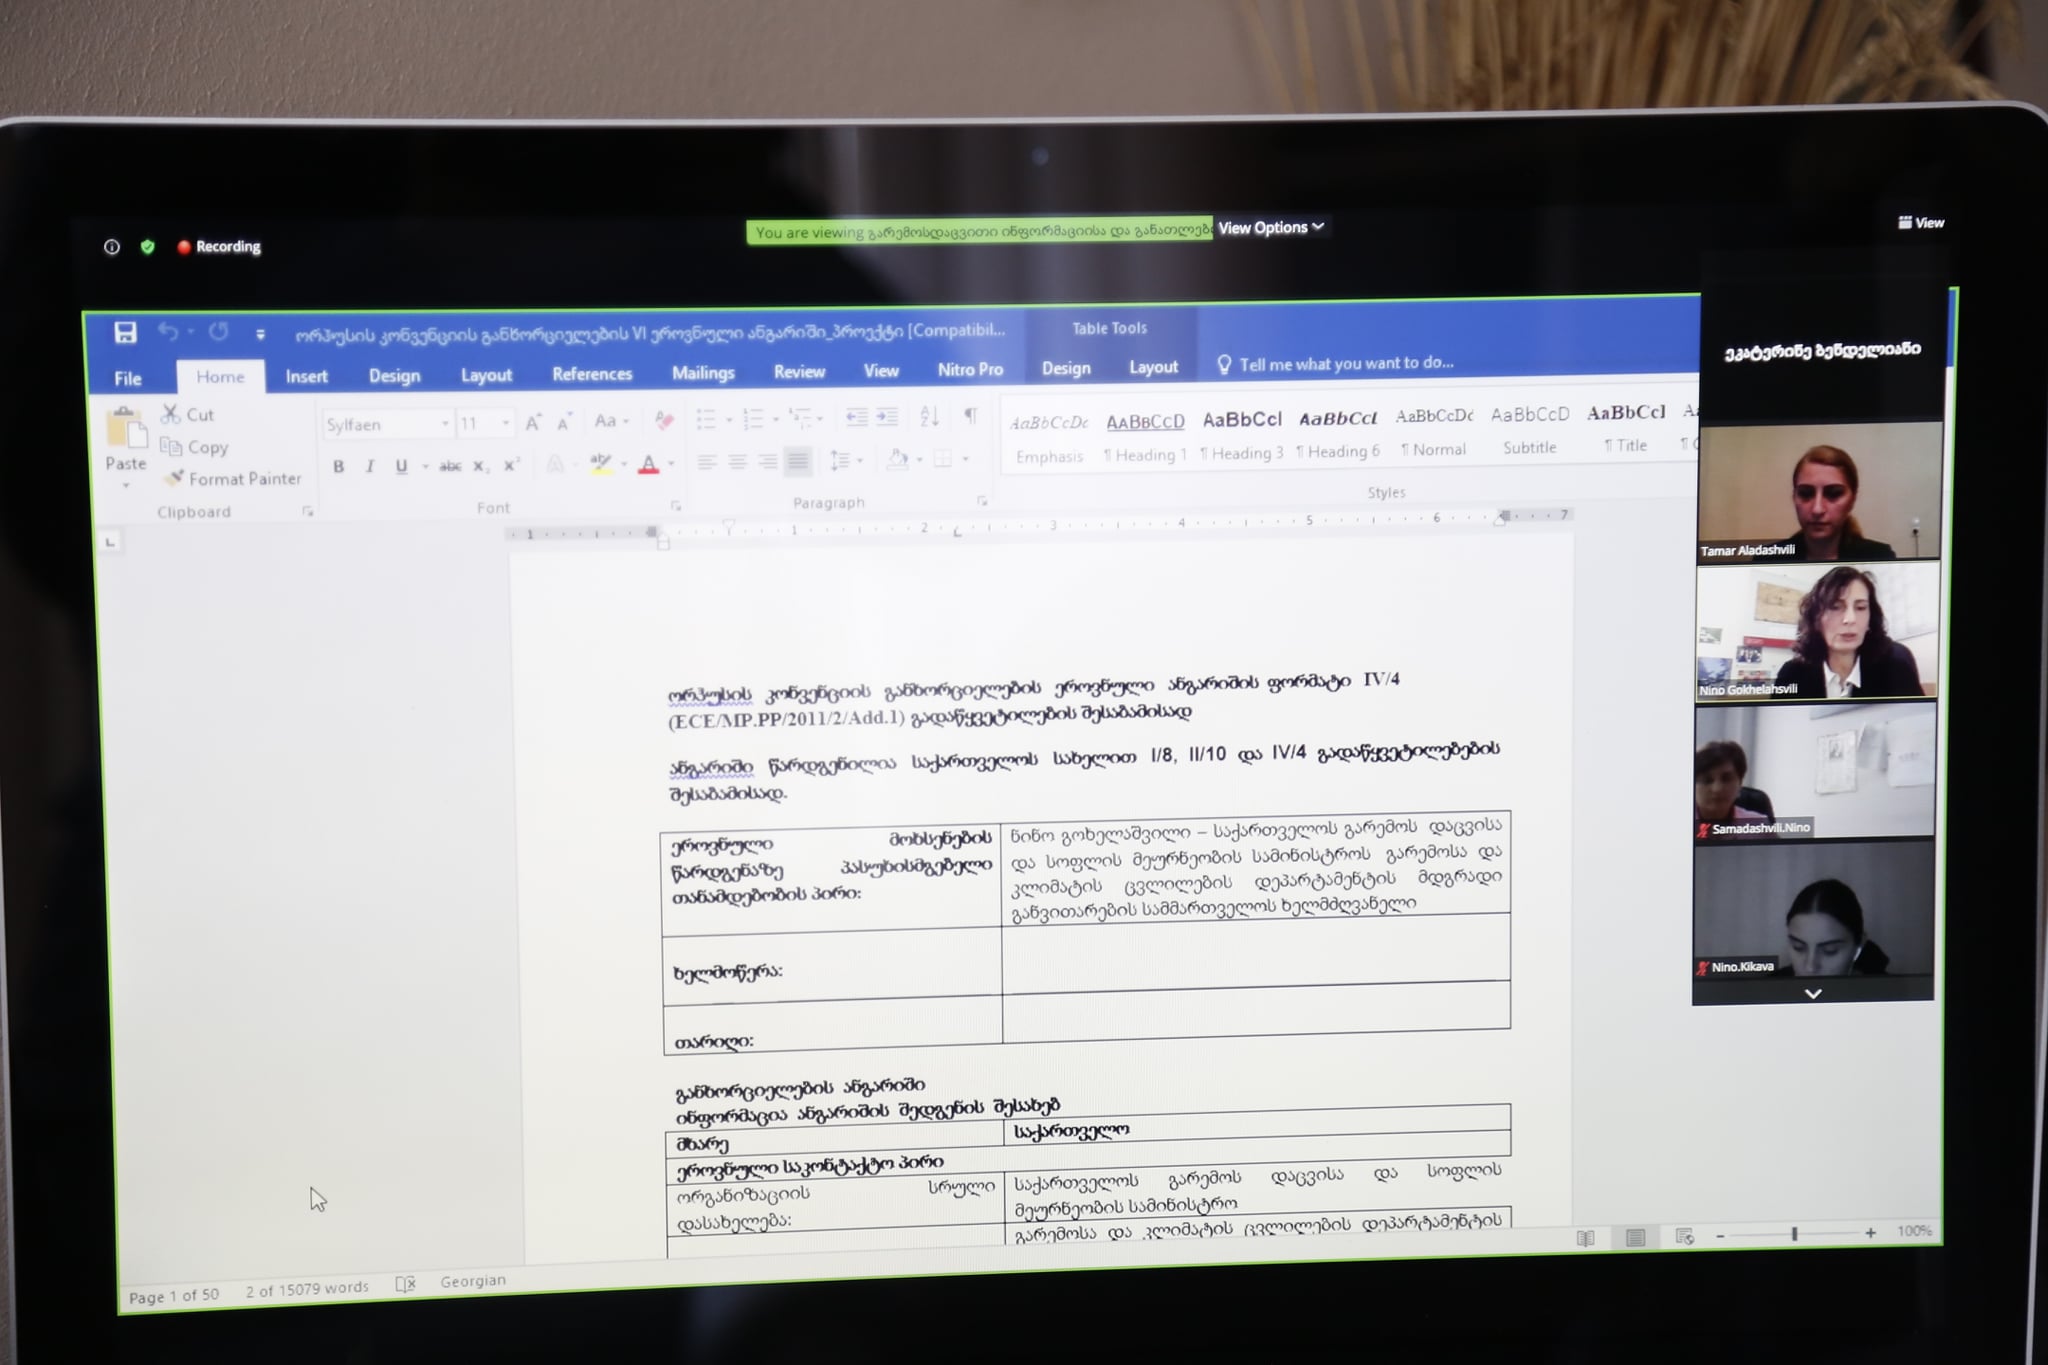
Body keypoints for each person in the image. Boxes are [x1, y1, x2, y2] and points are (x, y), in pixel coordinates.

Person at [1772, 565, 1924, 699]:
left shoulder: (1896, 667)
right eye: (1835, 607)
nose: (1850, 619)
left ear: (1870, 619)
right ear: (1816, 619)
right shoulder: (1791, 674)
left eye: (1860, 608)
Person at [1767, 446, 1897, 561]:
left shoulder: (1879, 556)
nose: (1817, 509)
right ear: (1794, 497)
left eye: (1833, 494)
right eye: (1806, 493)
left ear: (1853, 499)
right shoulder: (1769, 557)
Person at [1778, 879, 1890, 977]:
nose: (1810, 968)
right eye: (1798, 947)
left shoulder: (1890, 991)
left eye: (1830, 951)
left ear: (1859, 945)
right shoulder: (1771, 988)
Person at [1693, 740, 1774, 839]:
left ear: (1740, 783)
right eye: (1707, 780)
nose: (1717, 789)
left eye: (1726, 779)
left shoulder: (1759, 826)